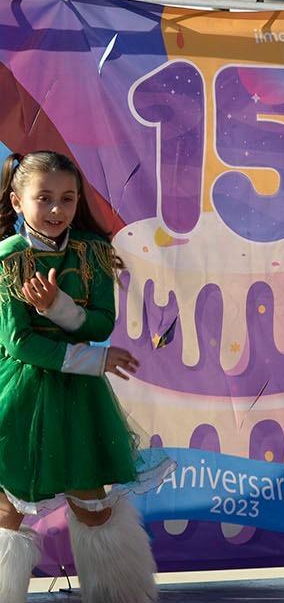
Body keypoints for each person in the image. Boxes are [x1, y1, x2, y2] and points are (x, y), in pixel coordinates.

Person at [0, 150, 166, 603]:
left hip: (77, 399)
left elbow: (99, 324)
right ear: (17, 202)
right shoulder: (10, 259)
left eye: (67, 199)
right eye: (44, 198)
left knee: (92, 503)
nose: (57, 210)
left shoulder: (91, 251)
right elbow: (19, 342)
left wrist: (56, 307)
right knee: (8, 506)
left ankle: (119, 594)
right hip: (19, 397)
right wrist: (93, 360)